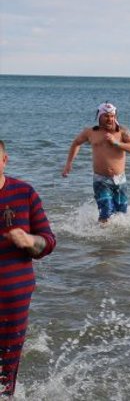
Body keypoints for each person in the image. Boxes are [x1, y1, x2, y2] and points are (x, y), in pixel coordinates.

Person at [0, 140, 57, 396]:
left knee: (6, 369)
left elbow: (48, 241)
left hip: (14, 296)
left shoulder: (24, 193)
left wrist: (30, 240)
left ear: (4, 161)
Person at [62, 102, 130, 222]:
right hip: (101, 179)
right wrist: (69, 164)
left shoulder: (122, 131)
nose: (110, 119)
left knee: (121, 213)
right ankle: (101, 237)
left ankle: (114, 238)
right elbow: (76, 143)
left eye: (112, 116)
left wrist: (116, 143)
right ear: (99, 117)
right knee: (106, 211)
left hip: (120, 179)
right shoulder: (90, 132)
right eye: (106, 116)